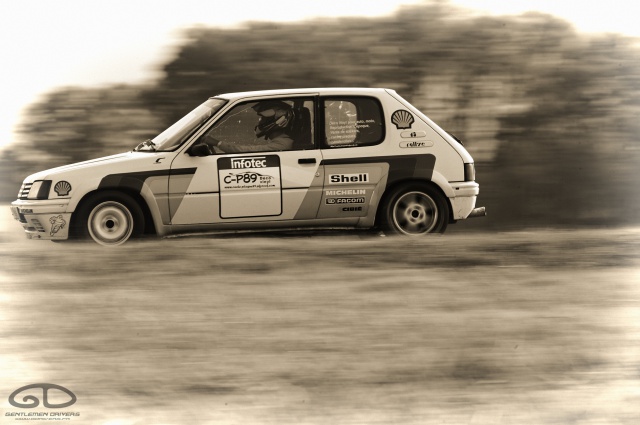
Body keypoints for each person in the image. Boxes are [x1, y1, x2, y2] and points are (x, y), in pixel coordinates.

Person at [202, 101, 294, 153]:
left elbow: (246, 150)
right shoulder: (280, 141)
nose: (260, 122)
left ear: (279, 120)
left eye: (264, 119)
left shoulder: (282, 144)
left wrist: (217, 143)